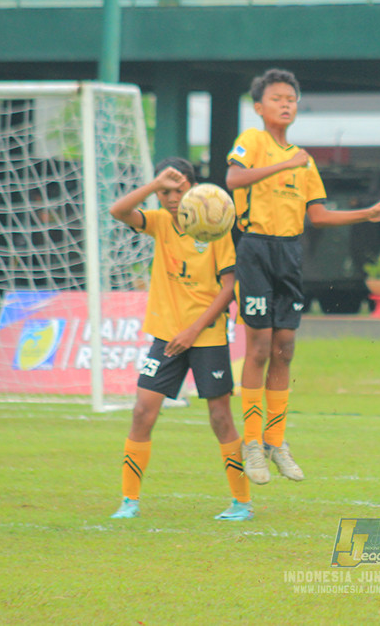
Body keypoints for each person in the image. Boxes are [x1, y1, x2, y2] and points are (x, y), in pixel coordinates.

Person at [226, 68, 380, 484]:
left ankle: (276, 440)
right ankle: (251, 443)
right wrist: (283, 164)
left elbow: (318, 215)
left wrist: (368, 213)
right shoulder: (252, 141)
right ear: (259, 107)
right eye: (277, 98)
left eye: (291, 98)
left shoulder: (304, 159)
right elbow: (233, 178)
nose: (286, 103)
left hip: (289, 252)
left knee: (285, 347)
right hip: (255, 248)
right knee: (258, 348)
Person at [107, 157, 252, 522]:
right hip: (166, 336)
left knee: (220, 417)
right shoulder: (157, 222)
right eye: (166, 191)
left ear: (193, 189)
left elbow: (230, 288)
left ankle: (241, 502)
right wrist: (153, 185)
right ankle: (129, 501)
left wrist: (192, 331)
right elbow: (118, 210)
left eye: (178, 189)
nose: (172, 198)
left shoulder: (214, 227)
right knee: (142, 412)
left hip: (205, 336)